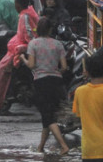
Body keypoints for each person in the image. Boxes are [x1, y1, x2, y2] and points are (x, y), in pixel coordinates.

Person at [0, 0, 38, 115]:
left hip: (18, 49)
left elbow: (29, 35)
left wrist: (23, 49)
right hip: (15, 46)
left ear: (18, 4)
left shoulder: (25, 16)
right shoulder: (29, 13)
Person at [25, 17, 70, 154]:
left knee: (48, 116)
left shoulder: (33, 44)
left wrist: (22, 59)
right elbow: (64, 67)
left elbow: (31, 65)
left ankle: (64, 146)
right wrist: (54, 69)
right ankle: (40, 147)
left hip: (41, 82)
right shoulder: (58, 44)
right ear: (51, 29)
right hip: (56, 82)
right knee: (48, 115)